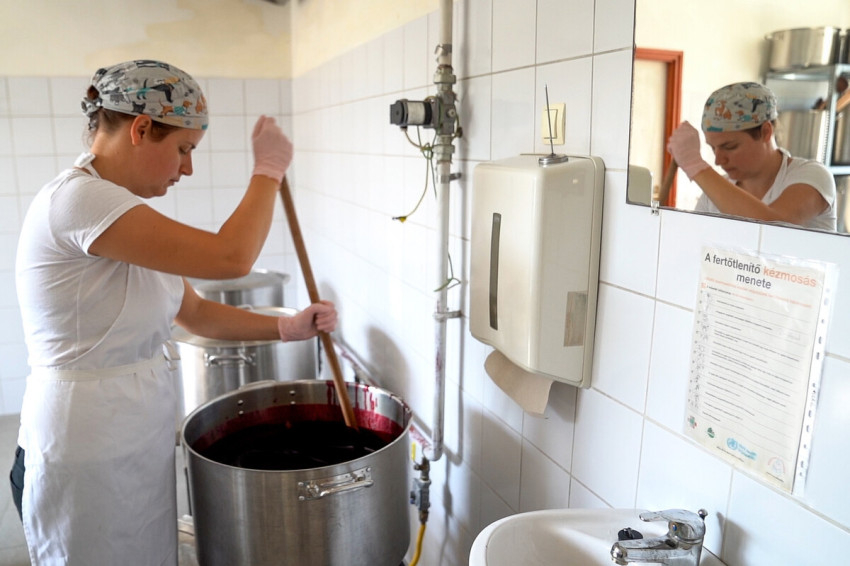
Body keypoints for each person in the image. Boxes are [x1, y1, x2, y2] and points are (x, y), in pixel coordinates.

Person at [8, 60, 337, 565]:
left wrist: (286, 328)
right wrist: (267, 172)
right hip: (83, 441)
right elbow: (231, 258)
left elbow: (196, 314)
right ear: (141, 129)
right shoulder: (79, 200)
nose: (187, 169)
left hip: (133, 431)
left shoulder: (121, 212)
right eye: (184, 149)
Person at [667, 81, 837, 231]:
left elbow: (773, 229)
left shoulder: (811, 176)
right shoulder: (713, 197)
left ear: (766, 132)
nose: (718, 161)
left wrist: (695, 166)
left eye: (730, 147)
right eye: (713, 148)